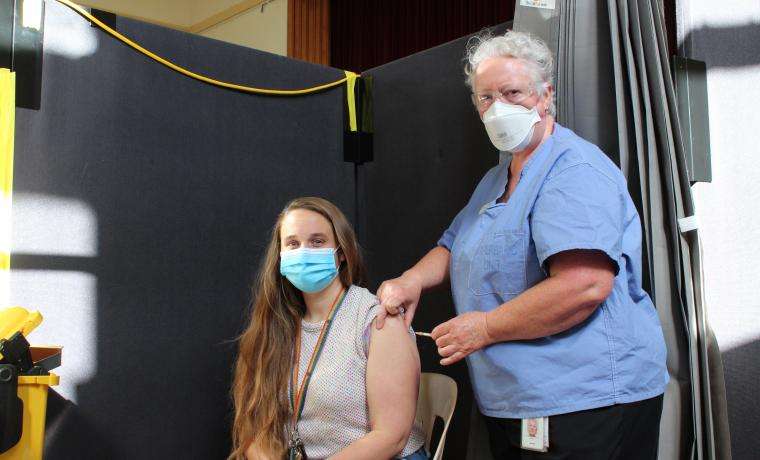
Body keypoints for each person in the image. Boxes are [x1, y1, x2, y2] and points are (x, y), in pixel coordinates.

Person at [376, 30, 669, 459]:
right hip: (516, 399)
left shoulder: (574, 169)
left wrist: (483, 327)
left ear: (545, 96)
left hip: (589, 400)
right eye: (485, 98)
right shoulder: (496, 179)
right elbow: (454, 245)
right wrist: (410, 281)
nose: (498, 109)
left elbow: (584, 285)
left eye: (512, 92)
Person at [229, 197, 427, 460]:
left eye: (317, 241)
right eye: (292, 244)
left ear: (342, 253)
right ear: (280, 257)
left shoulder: (377, 320)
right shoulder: (275, 328)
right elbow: (255, 430)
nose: (304, 252)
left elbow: (391, 437)